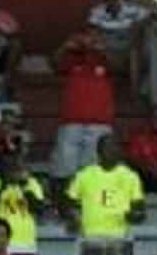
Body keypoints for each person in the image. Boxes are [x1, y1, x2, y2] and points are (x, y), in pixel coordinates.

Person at [50, 31, 116, 181]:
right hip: (71, 122)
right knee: (65, 170)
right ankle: (66, 202)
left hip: (99, 123)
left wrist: (102, 50)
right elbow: (53, 64)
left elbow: (119, 66)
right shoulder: (72, 62)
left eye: (93, 40)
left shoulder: (104, 62)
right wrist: (65, 47)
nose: (89, 44)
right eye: (87, 40)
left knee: (94, 171)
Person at [85, 0, 154, 99]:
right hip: (108, 46)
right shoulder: (98, 11)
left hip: (127, 46)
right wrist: (99, 40)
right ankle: (96, 92)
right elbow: (91, 29)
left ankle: (134, 93)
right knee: (91, 46)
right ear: (104, 1)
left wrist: (137, 25)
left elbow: (151, 15)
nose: (112, 2)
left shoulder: (131, 9)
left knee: (134, 54)